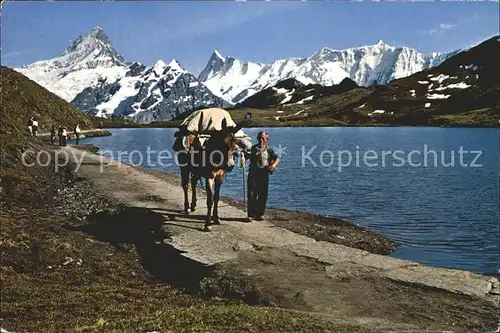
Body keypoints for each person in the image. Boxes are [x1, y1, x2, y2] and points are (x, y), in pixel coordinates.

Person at [242, 131, 280, 221]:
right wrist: (243, 156)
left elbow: (277, 159)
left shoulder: (269, 149)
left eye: (263, 138)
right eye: (259, 138)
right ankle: (251, 215)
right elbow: (248, 156)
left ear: (267, 139)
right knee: (251, 194)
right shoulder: (253, 148)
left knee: (263, 194)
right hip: (253, 174)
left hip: (264, 174)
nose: (261, 140)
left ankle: (260, 214)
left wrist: (273, 166)